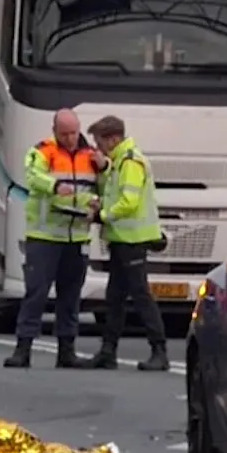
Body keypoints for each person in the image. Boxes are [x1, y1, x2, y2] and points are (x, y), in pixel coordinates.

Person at [6, 108, 102, 369]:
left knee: (70, 296)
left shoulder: (90, 155)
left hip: (77, 237)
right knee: (36, 293)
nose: (70, 138)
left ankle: (66, 351)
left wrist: (105, 169)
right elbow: (33, 176)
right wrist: (55, 186)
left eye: (73, 132)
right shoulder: (43, 151)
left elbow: (104, 183)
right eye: (64, 134)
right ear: (54, 131)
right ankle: (23, 348)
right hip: (45, 236)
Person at [84, 115, 169, 372]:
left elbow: (129, 203)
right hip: (121, 240)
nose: (97, 147)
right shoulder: (118, 162)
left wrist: (102, 215)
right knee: (115, 297)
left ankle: (159, 351)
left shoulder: (131, 162)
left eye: (99, 142)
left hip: (133, 240)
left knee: (140, 295)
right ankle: (108, 351)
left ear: (113, 139)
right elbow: (114, 194)